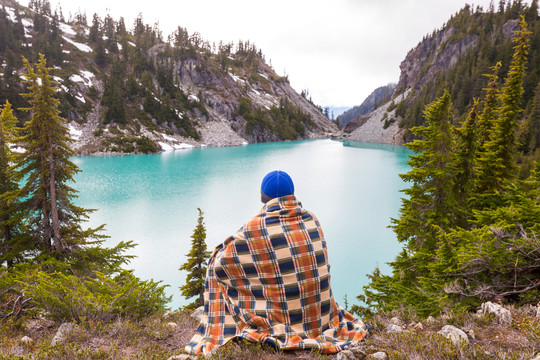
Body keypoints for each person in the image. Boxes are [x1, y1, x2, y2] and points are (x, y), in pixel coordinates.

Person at [185, 170, 368, 355]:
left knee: (217, 272)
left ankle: (227, 325)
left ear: (263, 196)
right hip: (320, 317)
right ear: (292, 193)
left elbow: (220, 266)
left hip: (285, 318)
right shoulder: (312, 219)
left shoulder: (255, 228)